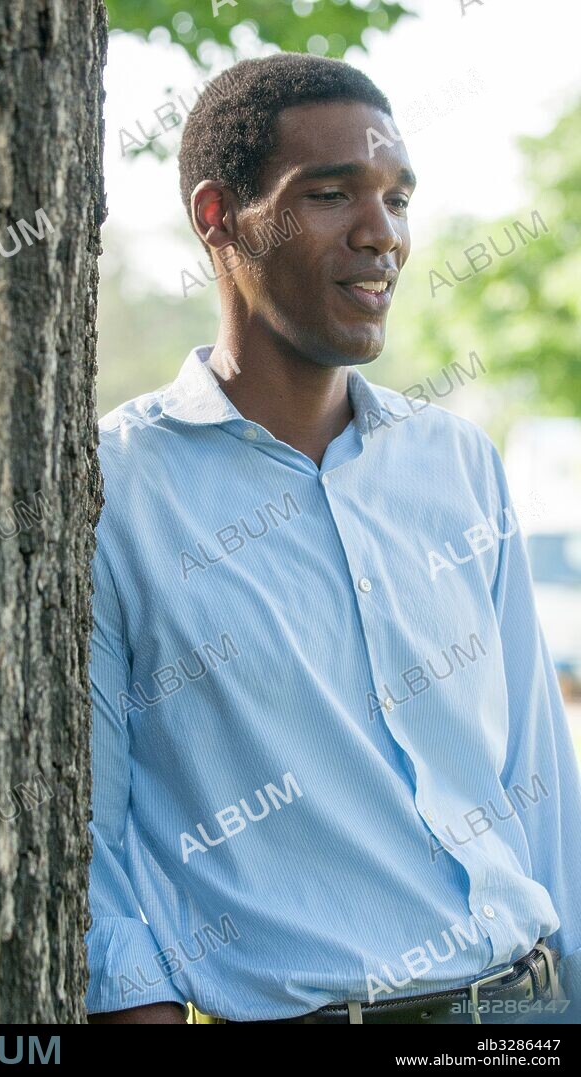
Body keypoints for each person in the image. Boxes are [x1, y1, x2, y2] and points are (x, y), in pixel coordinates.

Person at [85, 52, 581, 1025]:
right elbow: (88, 848)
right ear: (216, 216)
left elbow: (536, 775)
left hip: (530, 1004)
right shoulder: (111, 490)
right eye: (329, 195)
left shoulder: (457, 462)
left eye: (397, 197)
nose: (380, 233)